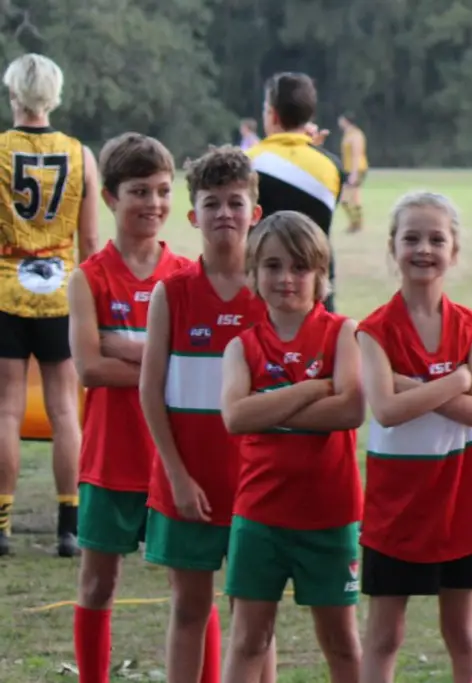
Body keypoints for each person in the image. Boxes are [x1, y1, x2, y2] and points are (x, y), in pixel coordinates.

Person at [217, 212, 366, 683]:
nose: (286, 279)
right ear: (254, 273)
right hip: (260, 516)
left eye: (300, 267)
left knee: (341, 644)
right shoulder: (242, 347)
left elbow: (350, 411)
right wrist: (312, 389)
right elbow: (236, 417)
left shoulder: (343, 332)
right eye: (274, 266)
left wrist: (268, 404)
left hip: (330, 515)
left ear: (321, 275)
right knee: (248, 640)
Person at [140, 146, 269, 683]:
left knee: (254, 619)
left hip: (257, 481)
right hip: (187, 481)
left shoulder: (272, 293)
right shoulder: (172, 293)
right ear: (193, 215)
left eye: (235, 203)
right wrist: (175, 473)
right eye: (211, 204)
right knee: (190, 609)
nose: (224, 214)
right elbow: (150, 390)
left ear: (254, 213)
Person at [69, 133, 190, 683]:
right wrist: (159, 361)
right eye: (139, 191)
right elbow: (90, 370)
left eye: (163, 191)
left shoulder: (187, 277)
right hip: (110, 454)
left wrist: (127, 348)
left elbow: (192, 373)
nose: (154, 204)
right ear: (112, 198)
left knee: (189, 587)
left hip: (176, 459)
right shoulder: (89, 277)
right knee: (97, 584)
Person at [355, 192, 472, 683]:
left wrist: (410, 384)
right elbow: (386, 410)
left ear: (454, 250)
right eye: (411, 238)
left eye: (437, 238)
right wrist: (455, 380)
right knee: (385, 636)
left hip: (458, 502)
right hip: (395, 508)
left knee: (463, 632)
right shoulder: (372, 330)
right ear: (393, 247)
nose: (424, 249)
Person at [0, 53, 95, 558]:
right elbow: (92, 243)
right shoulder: (80, 155)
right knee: (64, 412)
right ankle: (68, 526)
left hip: (5, 291)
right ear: (54, 95)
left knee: (6, 411)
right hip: (60, 292)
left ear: (14, 93)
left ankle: (2, 525)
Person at [245, 72, 342, 311]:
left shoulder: (247, 164)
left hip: (263, 295)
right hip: (315, 294)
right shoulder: (332, 167)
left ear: (273, 114)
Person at [338, 115, 368, 234]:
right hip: (348, 169)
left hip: (357, 169)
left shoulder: (356, 135)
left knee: (348, 198)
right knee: (348, 200)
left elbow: (356, 154)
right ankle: (355, 224)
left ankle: (357, 224)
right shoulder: (347, 134)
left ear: (346, 121)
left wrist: (354, 173)